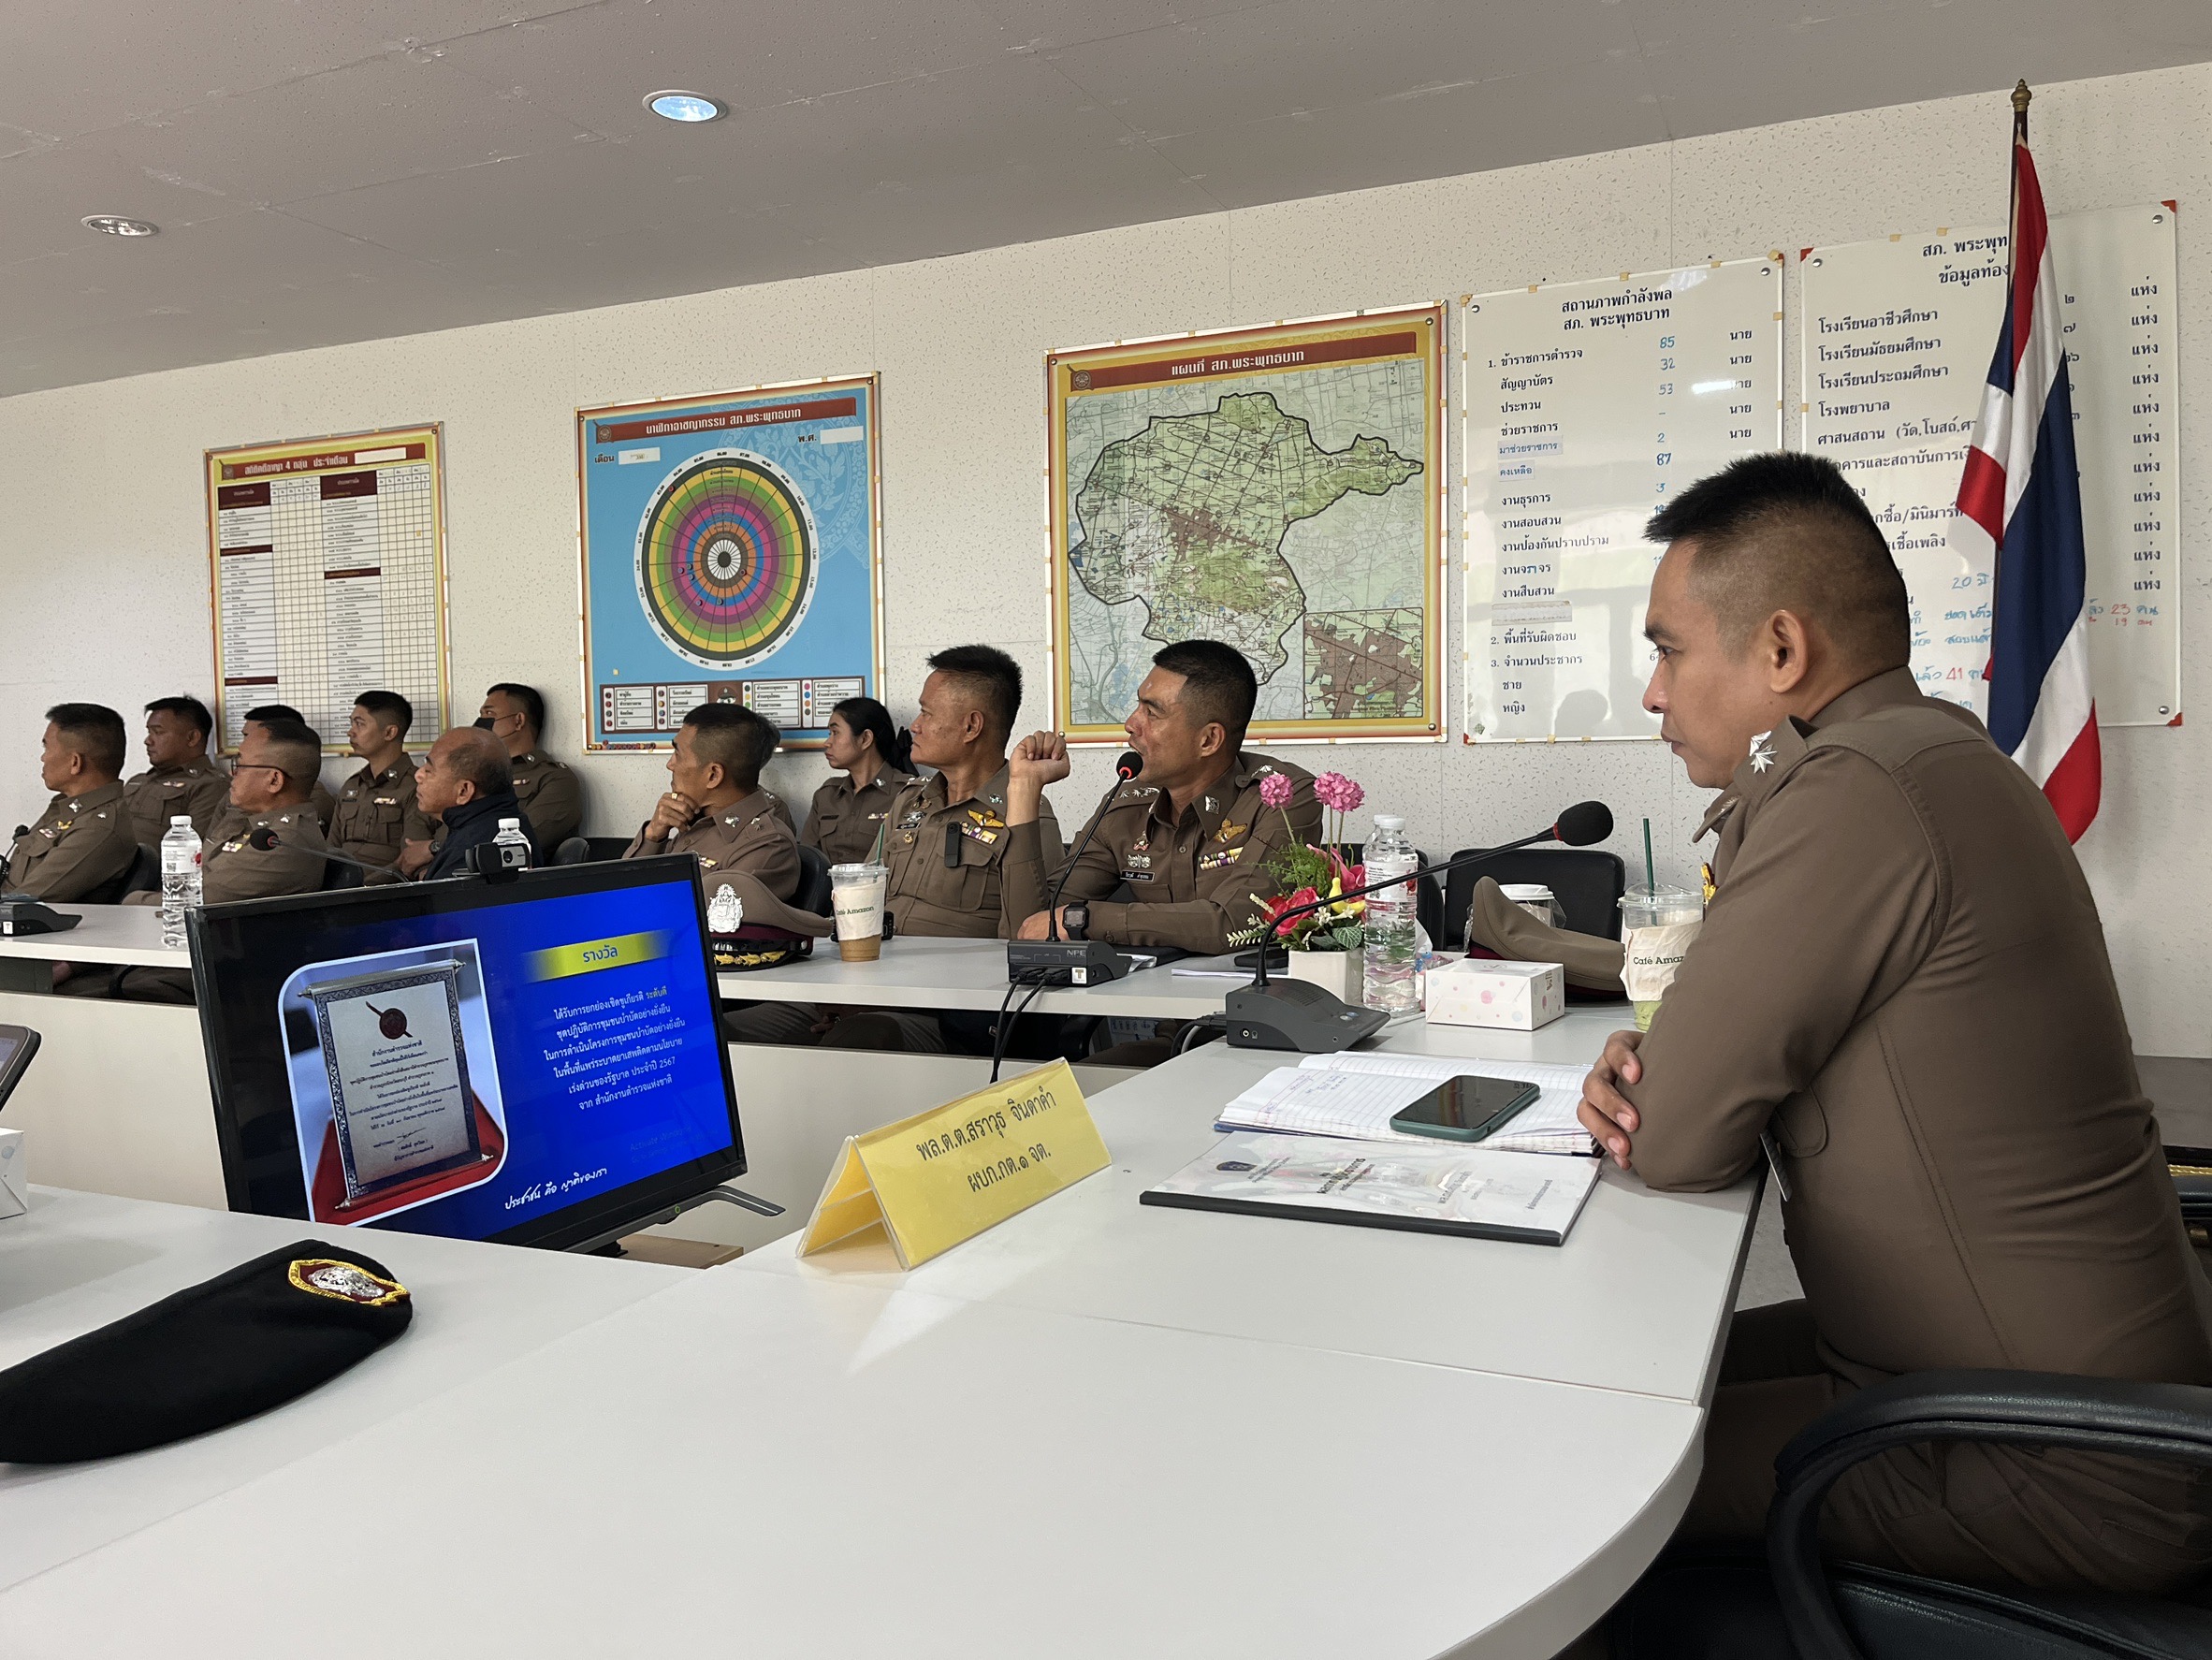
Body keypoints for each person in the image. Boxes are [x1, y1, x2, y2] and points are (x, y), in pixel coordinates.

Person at [1574, 453, 2212, 1607]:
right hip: (2030, 1390)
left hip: (2058, 1457)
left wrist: (1656, 1083)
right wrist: (1664, 1066)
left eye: (1668, 650)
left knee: (1588, 1468)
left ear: (1781, 649)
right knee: (1619, 1378)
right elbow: (1702, 1059)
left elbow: (1670, 1138)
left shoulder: (1855, 790)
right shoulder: (1931, 753)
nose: (1655, 694)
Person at [722, 646, 1062, 1054]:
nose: (914, 726)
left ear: (972, 726)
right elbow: (860, 902)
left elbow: (1030, 940)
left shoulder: (1026, 814)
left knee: (862, 1037)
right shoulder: (909, 801)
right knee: (715, 1034)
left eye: (927, 714)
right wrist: (844, 985)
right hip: (861, 987)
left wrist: (875, 999)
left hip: (946, 1010)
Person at [1003, 640, 1321, 954]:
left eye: (1152, 713)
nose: (1131, 724)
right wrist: (1023, 789)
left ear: (1209, 740)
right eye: (1138, 706)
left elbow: (1239, 922)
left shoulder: (1282, 798)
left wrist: (1088, 919)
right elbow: (1029, 927)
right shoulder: (1127, 804)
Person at [112, 720, 331, 1002]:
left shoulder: (284, 843)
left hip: (226, 971)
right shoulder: (248, 820)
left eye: (240, 765)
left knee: (111, 988)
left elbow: (196, 903)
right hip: (188, 951)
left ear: (274, 780)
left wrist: (132, 899)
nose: (232, 774)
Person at [400, 683, 583, 874]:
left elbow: (512, 840)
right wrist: (424, 870)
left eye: (489, 714)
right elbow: (418, 825)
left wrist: (434, 849)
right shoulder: (454, 770)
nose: (481, 722)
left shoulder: (554, 779)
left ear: (518, 721)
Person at [621, 703, 798, 900]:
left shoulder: (768, 846)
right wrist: (653, 835)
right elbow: (622, 894)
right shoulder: (696, 821)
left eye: (678, 754)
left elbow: (698, 915)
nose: (670, 765)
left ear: (713, 775)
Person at [6, 704, 137, 901]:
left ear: (75, 762)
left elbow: (20, 903)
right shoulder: (67, 808)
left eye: (47, 747)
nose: (43, 757)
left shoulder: (97, 829)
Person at [405, 727, 531, 882]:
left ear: (463, 791)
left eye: (429, 770)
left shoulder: (474, 851)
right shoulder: (490, 821)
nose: (418, 775)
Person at [800, 695, 913, 866]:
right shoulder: (827, 795)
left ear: (865, 739)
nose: (827, 743)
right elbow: (809, 860)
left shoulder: (907, 794)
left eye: (835, 733)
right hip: (831, 883)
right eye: (829, 734)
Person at [327, 691, 424, 871]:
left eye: (359, 724)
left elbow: (409, 860)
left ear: (389, 732)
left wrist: (364, 885)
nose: (350, 732)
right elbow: (331, 850)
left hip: (384, 886)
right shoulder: (352, 785)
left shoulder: (416, 787)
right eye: (351, 723)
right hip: (341, 883)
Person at [123, 696, 229, 845]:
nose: (148, 741)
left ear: (192, 738)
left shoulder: (210, 785)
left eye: (158, 732)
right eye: (149, 732)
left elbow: (198, 849)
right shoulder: (138, 780)